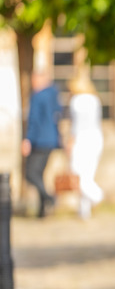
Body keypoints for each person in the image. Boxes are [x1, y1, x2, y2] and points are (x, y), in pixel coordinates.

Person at [22, 70, 61, 218]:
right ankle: (41, 211)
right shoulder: (53, 95)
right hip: (51, 140)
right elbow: (57, 116)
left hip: (39, 140)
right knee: (39, 174)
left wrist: (28, 140)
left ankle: (50, 198)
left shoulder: (38, 96)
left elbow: (34, 120)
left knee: (31, 174)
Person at [66, 72, 104, 219]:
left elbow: (76, 126)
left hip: (82, 140)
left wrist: (70, 142)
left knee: (79, 175)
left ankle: (98, 196)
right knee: (88, 174)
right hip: (96, 139)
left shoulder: (76, 101)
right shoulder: (95, 99)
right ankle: (84, 211)